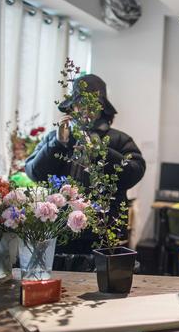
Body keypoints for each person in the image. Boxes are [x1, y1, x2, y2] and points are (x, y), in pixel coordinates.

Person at [25, 74, 146, 266]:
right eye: (80, 104)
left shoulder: (119, 140)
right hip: (60, 228)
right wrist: (57, 143)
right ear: (72, 107)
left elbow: (135, 171)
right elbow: (34, 172)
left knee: (102, 281)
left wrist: (102, 152)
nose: (86, 110)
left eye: (93, 105)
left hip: (103, 229)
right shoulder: (57, 137)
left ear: (102, 108)